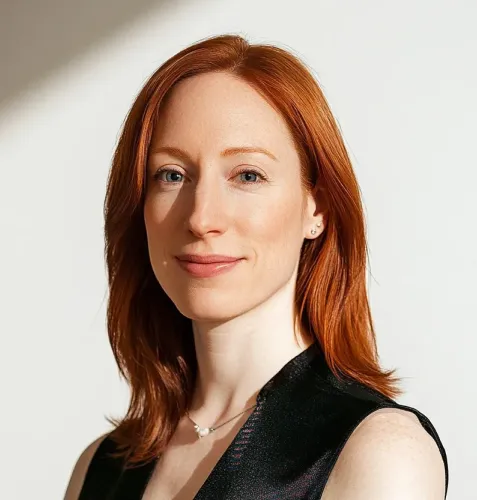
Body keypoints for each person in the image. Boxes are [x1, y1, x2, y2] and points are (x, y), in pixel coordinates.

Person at [63, 34, 449, 499]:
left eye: (248, 175)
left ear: (317, 207)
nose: (201, 218)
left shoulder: (379, 453)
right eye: (172, 175)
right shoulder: (98, 468)